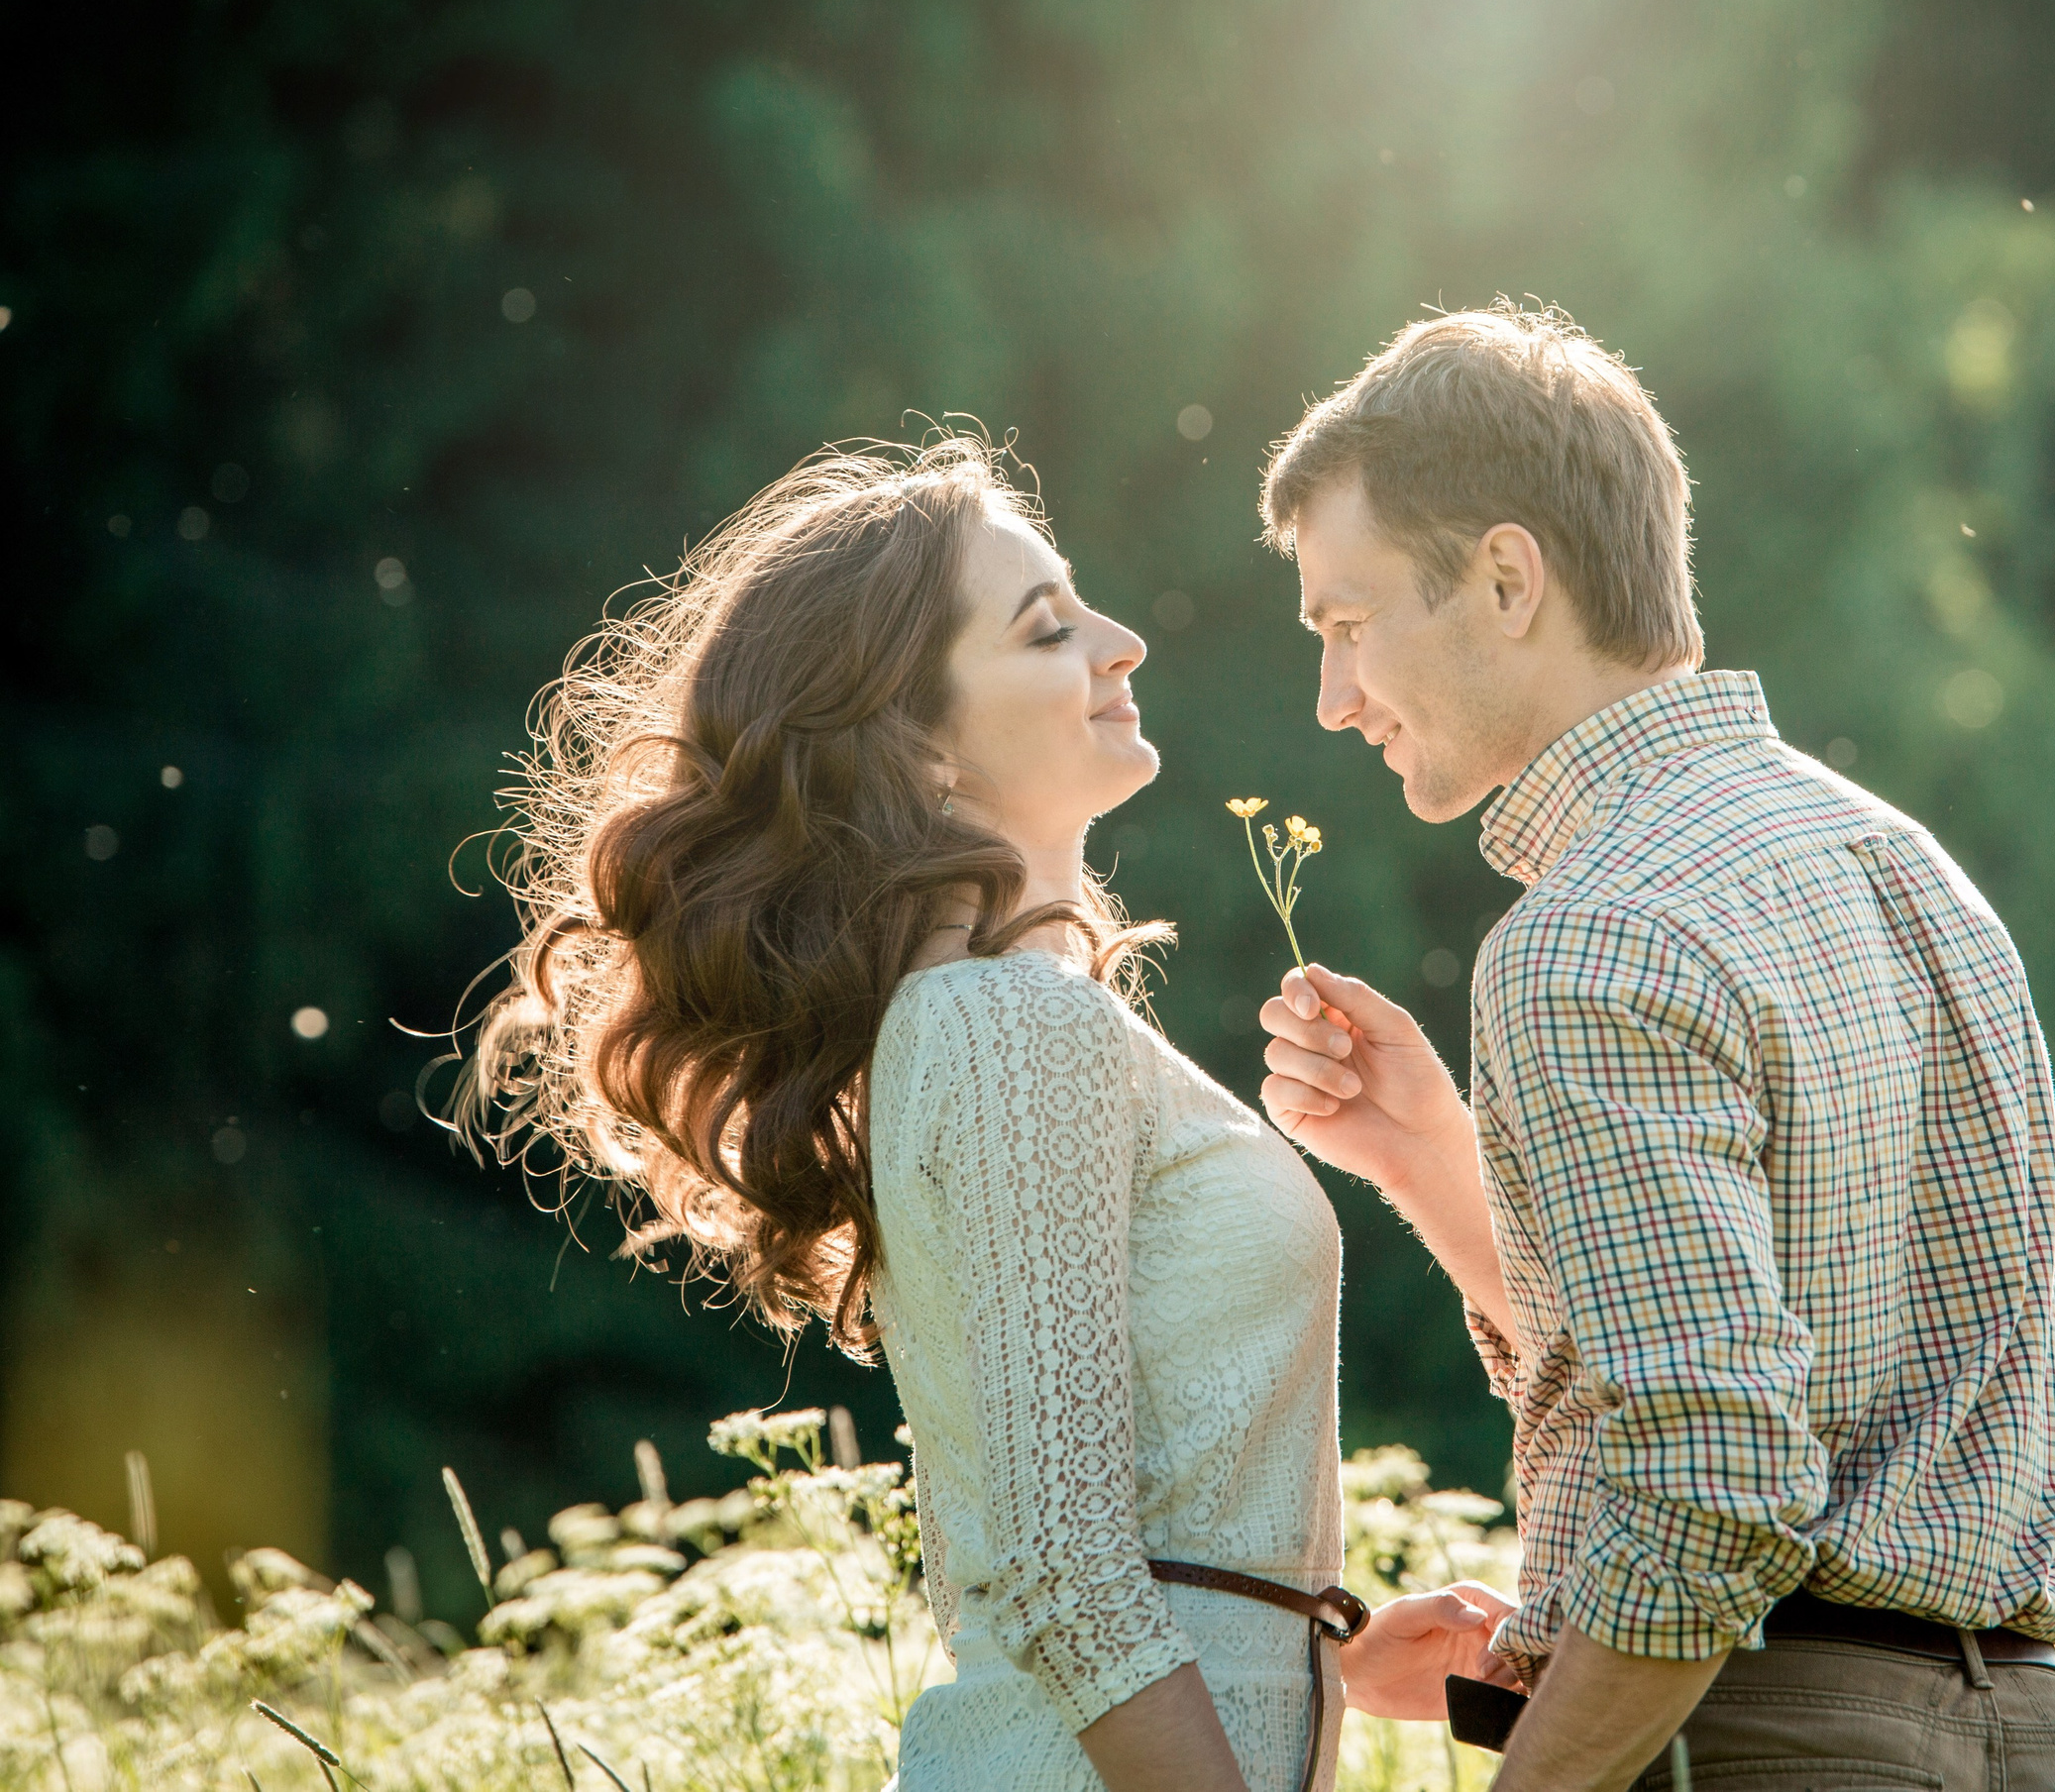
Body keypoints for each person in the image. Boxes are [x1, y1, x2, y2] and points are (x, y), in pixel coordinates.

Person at [458, 437, 1493, 1792]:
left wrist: (1315, 1654)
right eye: (1047, 627)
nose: (1122, 643)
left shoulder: (1016, 1023)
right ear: (914, 743)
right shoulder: (1005, 1024)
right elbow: (1063, 1586)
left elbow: (1079, 1547)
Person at [1251, 305, 2055, 1791]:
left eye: (1347, 621)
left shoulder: (1590, 937)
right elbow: (1822, 1424)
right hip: (2022, 1739)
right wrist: (1435, 1158)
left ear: (1507, 577)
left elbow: (1717, 1487)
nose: (1333, 701)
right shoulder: (1912, 870)